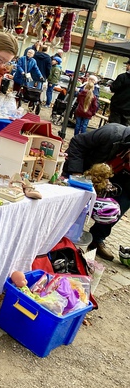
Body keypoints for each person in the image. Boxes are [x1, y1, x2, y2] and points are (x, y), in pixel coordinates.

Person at [63, 123, 130, 260]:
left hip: (114, 175)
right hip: (84, 169)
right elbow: (77, 143)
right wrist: (77, 174)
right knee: (74, 201)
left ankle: (97, 238)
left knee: (125, 199)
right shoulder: (112, 133)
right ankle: (62, 231)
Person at [108, 60, 130, 125]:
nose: (126, 66)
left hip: (117, 107)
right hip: (128, 110)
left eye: (127, 65)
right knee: (124, 130)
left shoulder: (122, 77)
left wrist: (112, 84)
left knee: (113, 127)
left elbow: (113, 88)